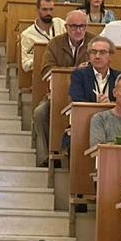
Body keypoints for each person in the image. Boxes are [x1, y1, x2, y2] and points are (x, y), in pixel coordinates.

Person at [33, 11, 91, 167]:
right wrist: (75, 70)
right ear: (66, 27)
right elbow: (46, 70)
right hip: (58, 94)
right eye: (74, 26)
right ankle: (51, 154)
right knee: (40, 113)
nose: (78, 30)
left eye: (82, 26)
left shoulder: (94, 43)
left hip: (87, 95)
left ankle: (80, 159)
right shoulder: (55, 43)